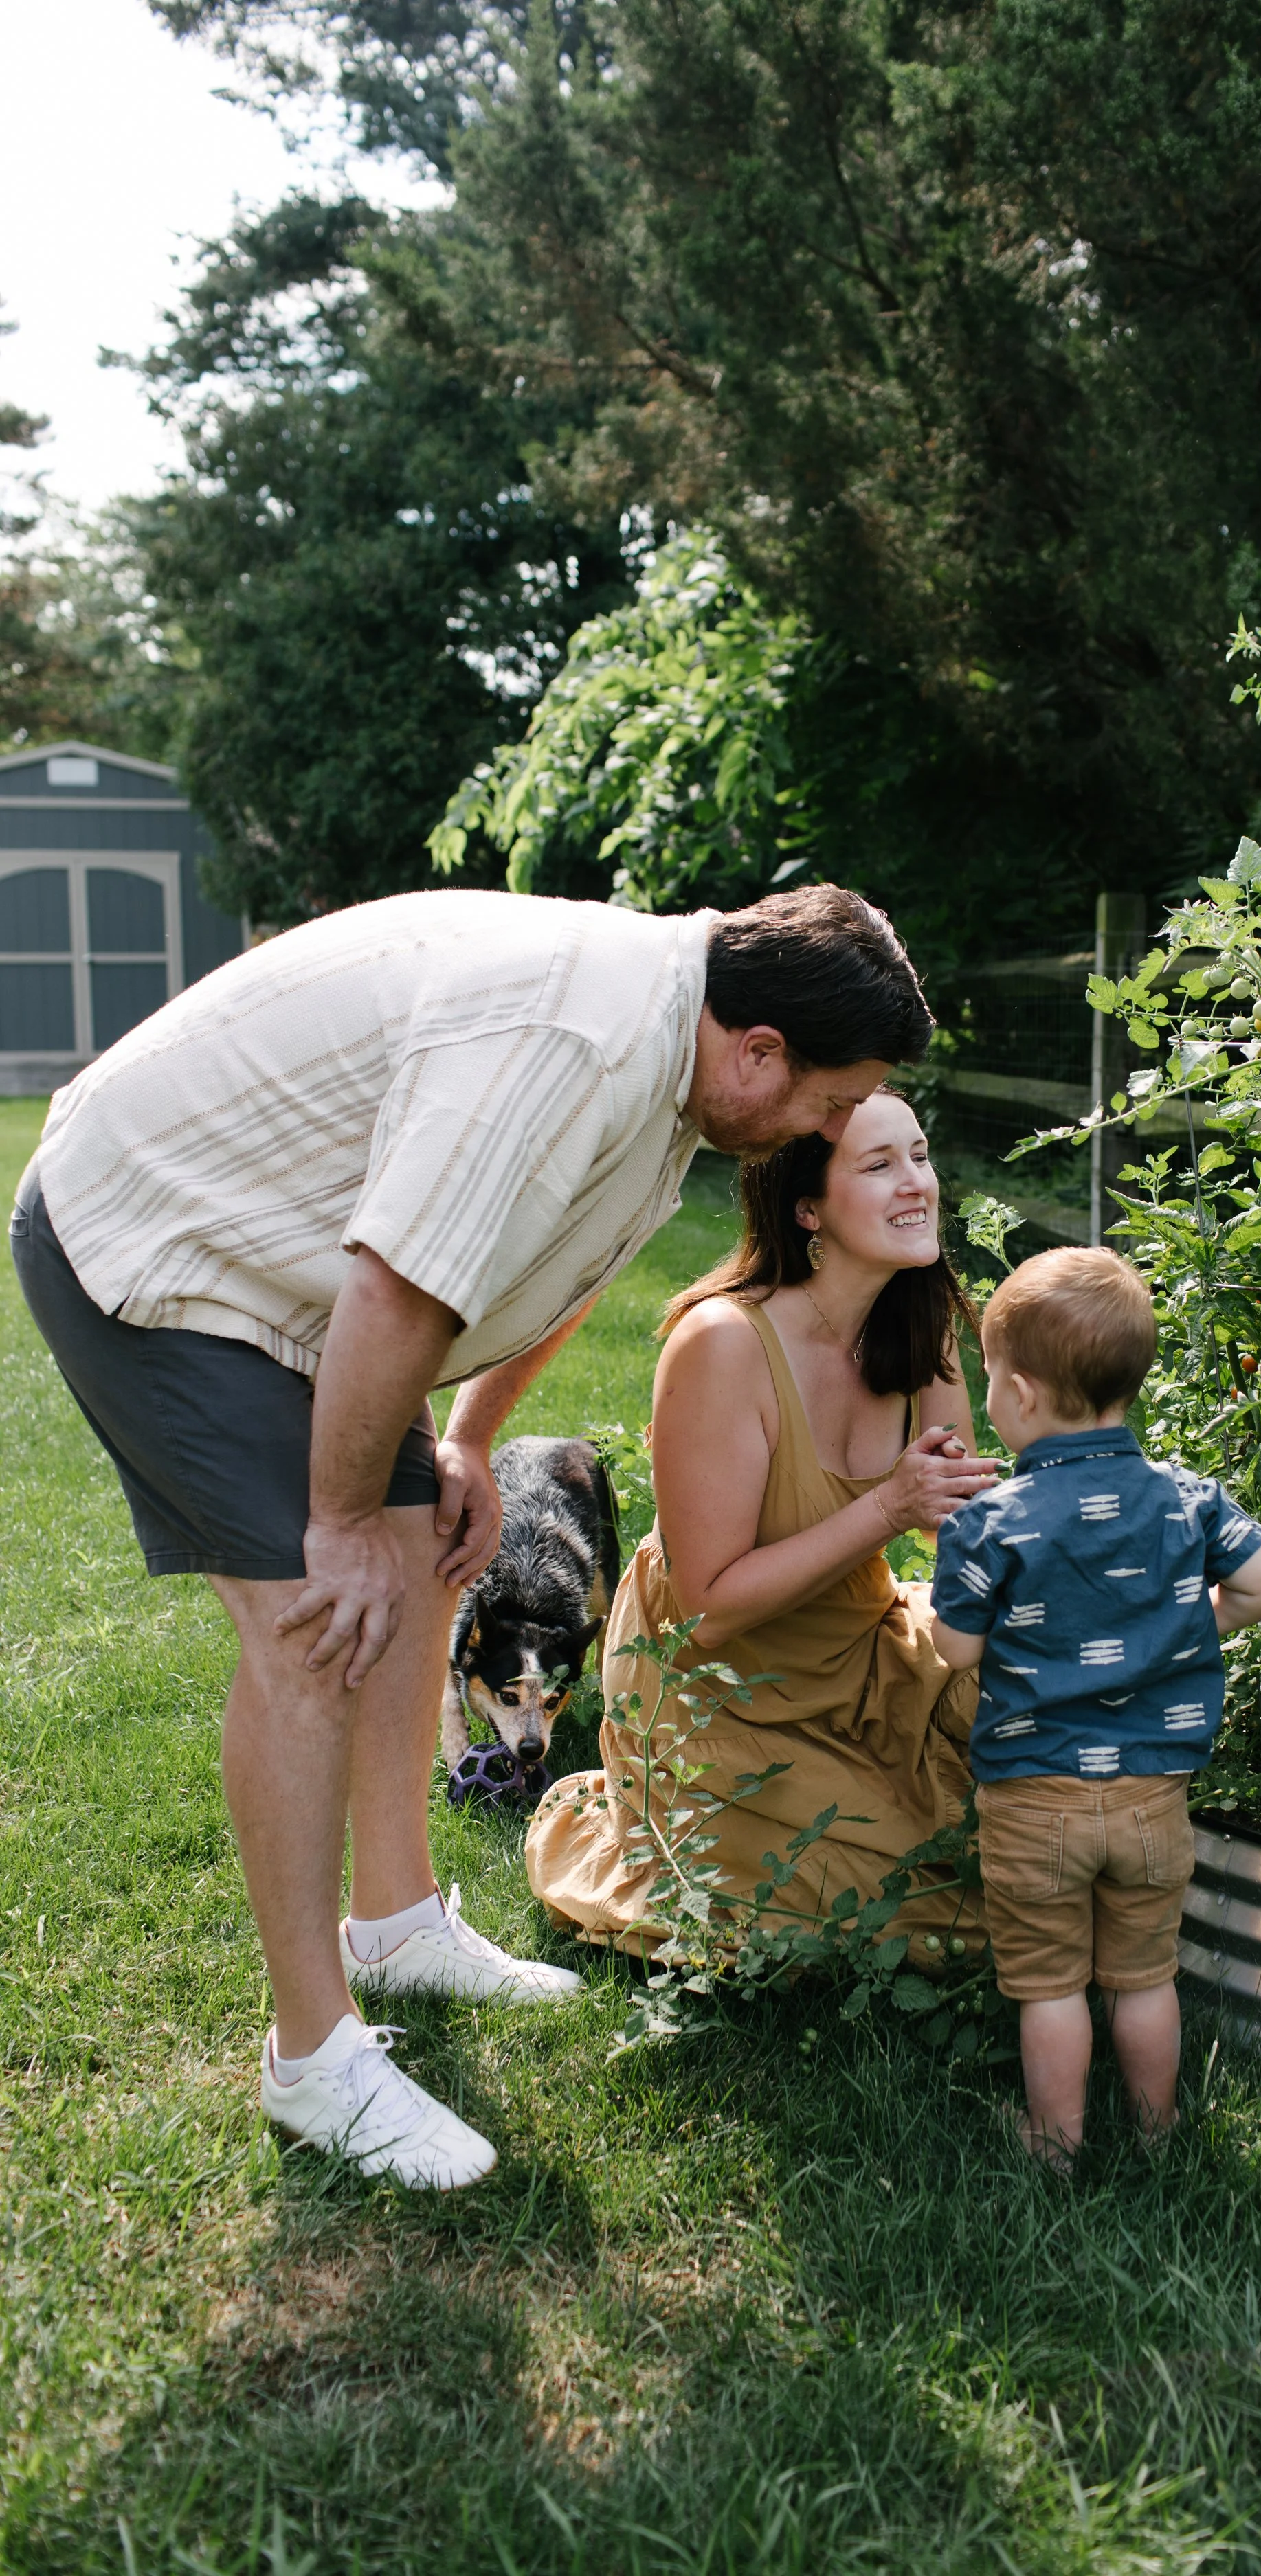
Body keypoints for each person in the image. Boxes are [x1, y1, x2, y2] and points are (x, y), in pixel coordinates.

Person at [9, 883, 932, 2189]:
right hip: (157, 1237)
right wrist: (333, 1522)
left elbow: (567, 1261)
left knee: (419, 1564)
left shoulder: (677, 1063)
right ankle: (312, 2058)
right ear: (760, 1051)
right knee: (314, 1621)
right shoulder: (579, 1039)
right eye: (832, 1106)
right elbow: (401, 1276)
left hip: (296, 1279)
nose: (825, 1132)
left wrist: (463, 1441)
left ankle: (394, 1925)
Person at [526, 1086, 998, 1950]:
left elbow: (954, 1525)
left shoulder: (918, 1318)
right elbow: (707, 1611)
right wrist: (891, 1504)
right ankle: (620, 1815)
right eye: (880, 1164)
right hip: (722, 1688)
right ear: (807, 1207)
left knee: (1043, 1784)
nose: (916, 1184)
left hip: (862, 1643)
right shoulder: (724, 1344)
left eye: (922, 1157)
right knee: (912, 1908)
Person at [929, 1247, 1261, 2166]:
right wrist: (1200, 1623)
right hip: (1153, 1797)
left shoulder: (990, 1518)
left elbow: (958, 1648)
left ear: (1017, 1394)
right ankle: (1159, 2135)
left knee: (1050, 1982)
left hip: (1032, 1797)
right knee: (1144, 1975)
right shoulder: (1185, 1498)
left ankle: (1055, 2145)